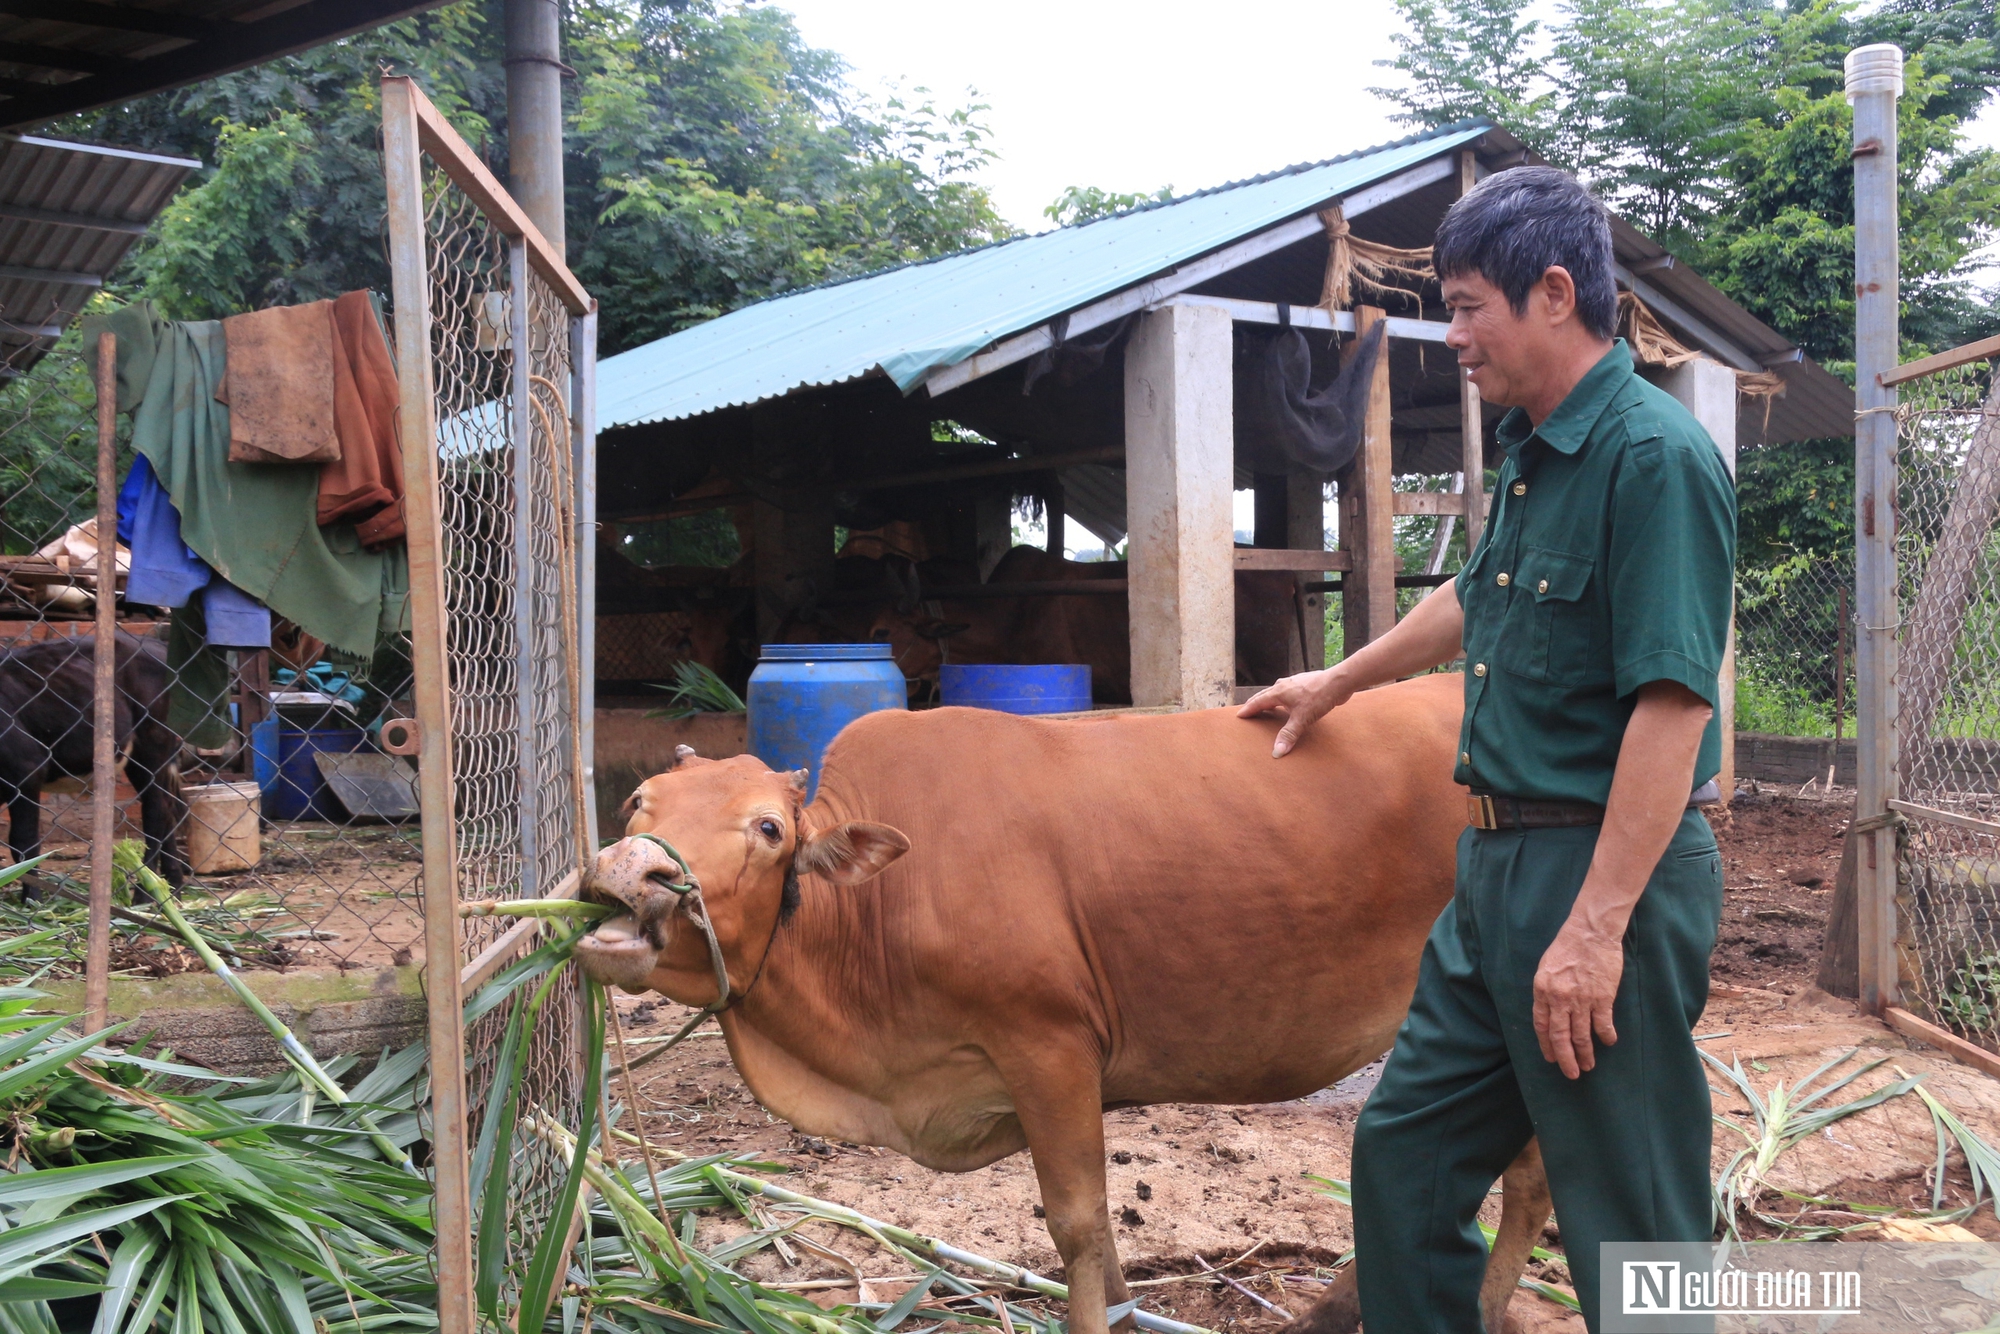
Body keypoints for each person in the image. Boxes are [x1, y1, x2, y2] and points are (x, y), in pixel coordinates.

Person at [1238, 166, 1735, 1333]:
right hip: (1496, 867)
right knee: (1402, 1154)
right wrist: (1341, 676)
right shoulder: (1534, 447)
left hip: (1604, 873)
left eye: (1465, 306)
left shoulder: (1651, 458)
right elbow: (1473, 594)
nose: (1449, 335)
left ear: (1553, 292)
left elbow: (1671, 707)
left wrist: (1596, 927)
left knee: (1631, 1211)